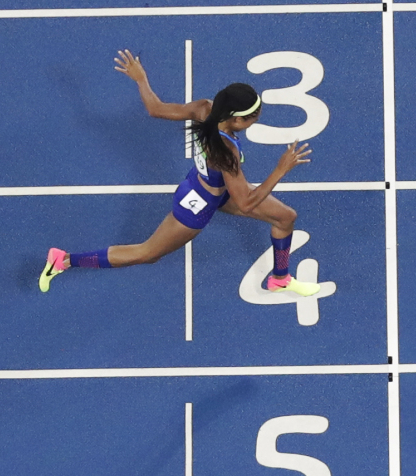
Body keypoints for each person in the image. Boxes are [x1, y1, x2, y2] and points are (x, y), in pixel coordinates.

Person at [38, 50, 321, 298]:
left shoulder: (204, 109)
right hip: (198, 204)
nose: (256, 119)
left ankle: (280, 279)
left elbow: (155, 109)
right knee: (147, 253)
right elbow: (246, 202)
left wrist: (140, 79)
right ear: (236, 118)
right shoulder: (226, 152)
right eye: (254, 116)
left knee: (285, 217)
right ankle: (64, 260)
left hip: (213, 188)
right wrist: (281, 169)